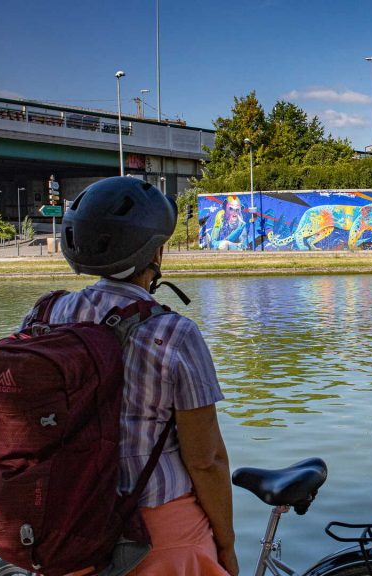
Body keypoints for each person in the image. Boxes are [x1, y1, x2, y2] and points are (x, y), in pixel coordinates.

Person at [53, 177, 237, 575]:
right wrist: (226, 546)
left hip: (66, 524)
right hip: (156, 531)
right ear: (155, 251)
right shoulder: (174, 334)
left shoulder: (45, 315)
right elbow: (206, 461)